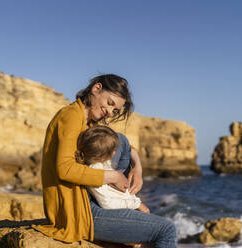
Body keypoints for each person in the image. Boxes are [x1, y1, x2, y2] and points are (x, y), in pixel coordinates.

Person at [33, 74, 177, 247]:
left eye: (115, 110)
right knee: (166, 230)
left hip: (90, 199)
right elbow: (65, 169)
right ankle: (122, 206)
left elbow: (123, 144)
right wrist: (114, 176)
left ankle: (121, 202)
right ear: (96, 88)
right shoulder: (71, 116)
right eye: (110, 103)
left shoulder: (89, 123)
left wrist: (137, 168)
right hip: (80, 210)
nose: (109, 112)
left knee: (120, 140)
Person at [75, 125, 150, 213]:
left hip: (125, 198)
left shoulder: (103, 162)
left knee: (122, 138)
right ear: (104, 155)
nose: (116, 151)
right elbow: (107, 203)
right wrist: (135, 204)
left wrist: (137, 167)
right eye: (114, 149)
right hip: (118, 205)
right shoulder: (95, 173)